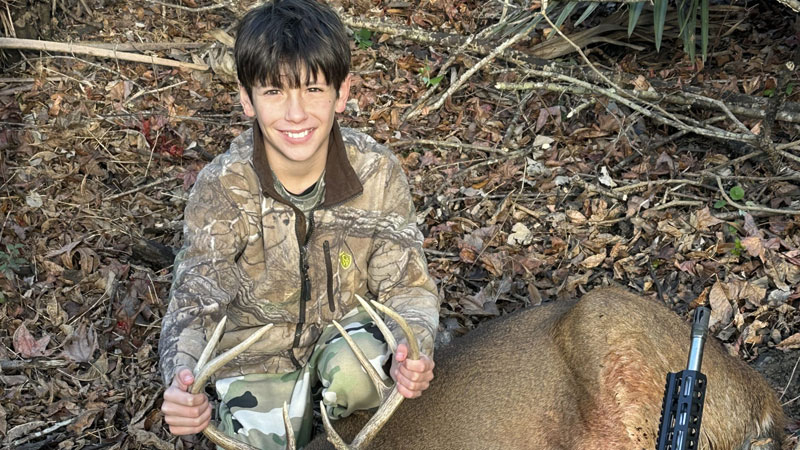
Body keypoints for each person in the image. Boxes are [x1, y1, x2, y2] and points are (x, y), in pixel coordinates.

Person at [157, 0, 440, 448]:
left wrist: (416, 349)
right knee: (260, 438)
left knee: (362, 375)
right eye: (273, 92)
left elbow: (408, 286)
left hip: (345, 339)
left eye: (312, 89)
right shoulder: (223, 188)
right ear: (247, 99)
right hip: (257, 354)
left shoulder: (376, 173)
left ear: (341, 93)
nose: (295, 114)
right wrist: (181, 378)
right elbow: (195, 300)